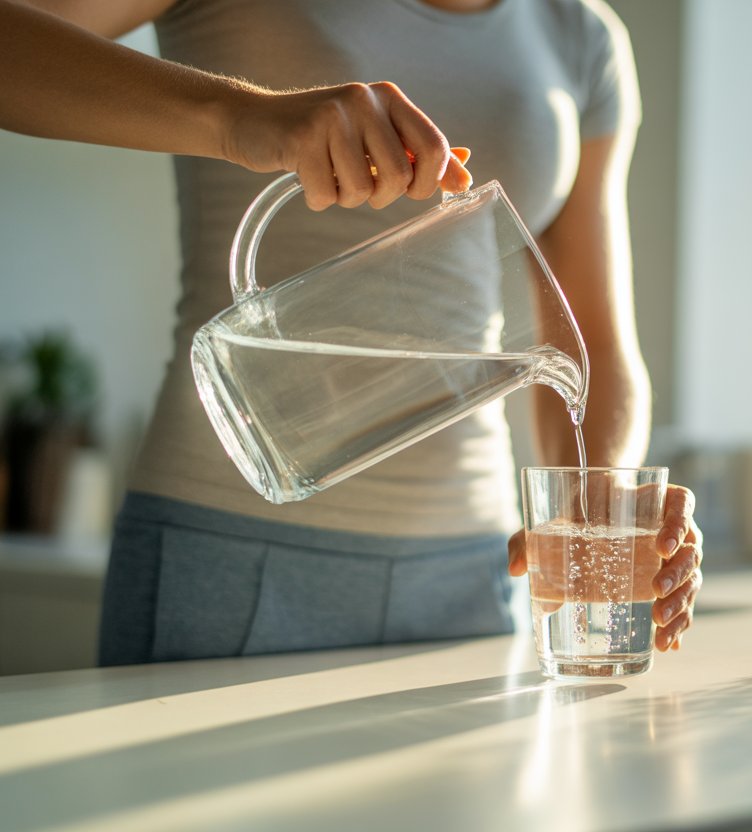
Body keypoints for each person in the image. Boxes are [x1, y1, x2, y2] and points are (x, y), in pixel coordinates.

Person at [1, 0, 702, 663]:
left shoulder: (581, 36)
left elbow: (595, 344)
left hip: (470, 573)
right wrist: (244, 116)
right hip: (230, 548)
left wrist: (602, 506)